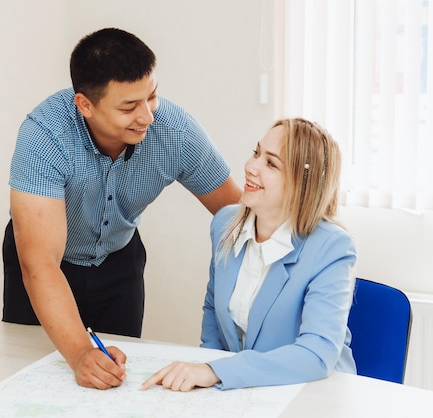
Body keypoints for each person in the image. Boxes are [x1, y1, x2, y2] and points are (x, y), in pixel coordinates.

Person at [1, 28, 241, 390]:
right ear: (85, 105)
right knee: (37, 378)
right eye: (129, 106)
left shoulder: (174, 130)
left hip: (119, 260)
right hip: (48, 263)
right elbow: (40, 266)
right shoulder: (44, 136)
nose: (146, 116)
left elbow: (238, 216)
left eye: (152, 96)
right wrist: (80, 352)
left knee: (115, 379)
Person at [141, 118, 357, 392]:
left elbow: (317, 353)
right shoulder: (224, 224)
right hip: (245, 393)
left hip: (313, 393)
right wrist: (208, 369)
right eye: (256, 153)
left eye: (271, 163)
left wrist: (216, 371)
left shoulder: (331, 247)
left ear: (304, 184)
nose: (250, 167)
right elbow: (212, 310)